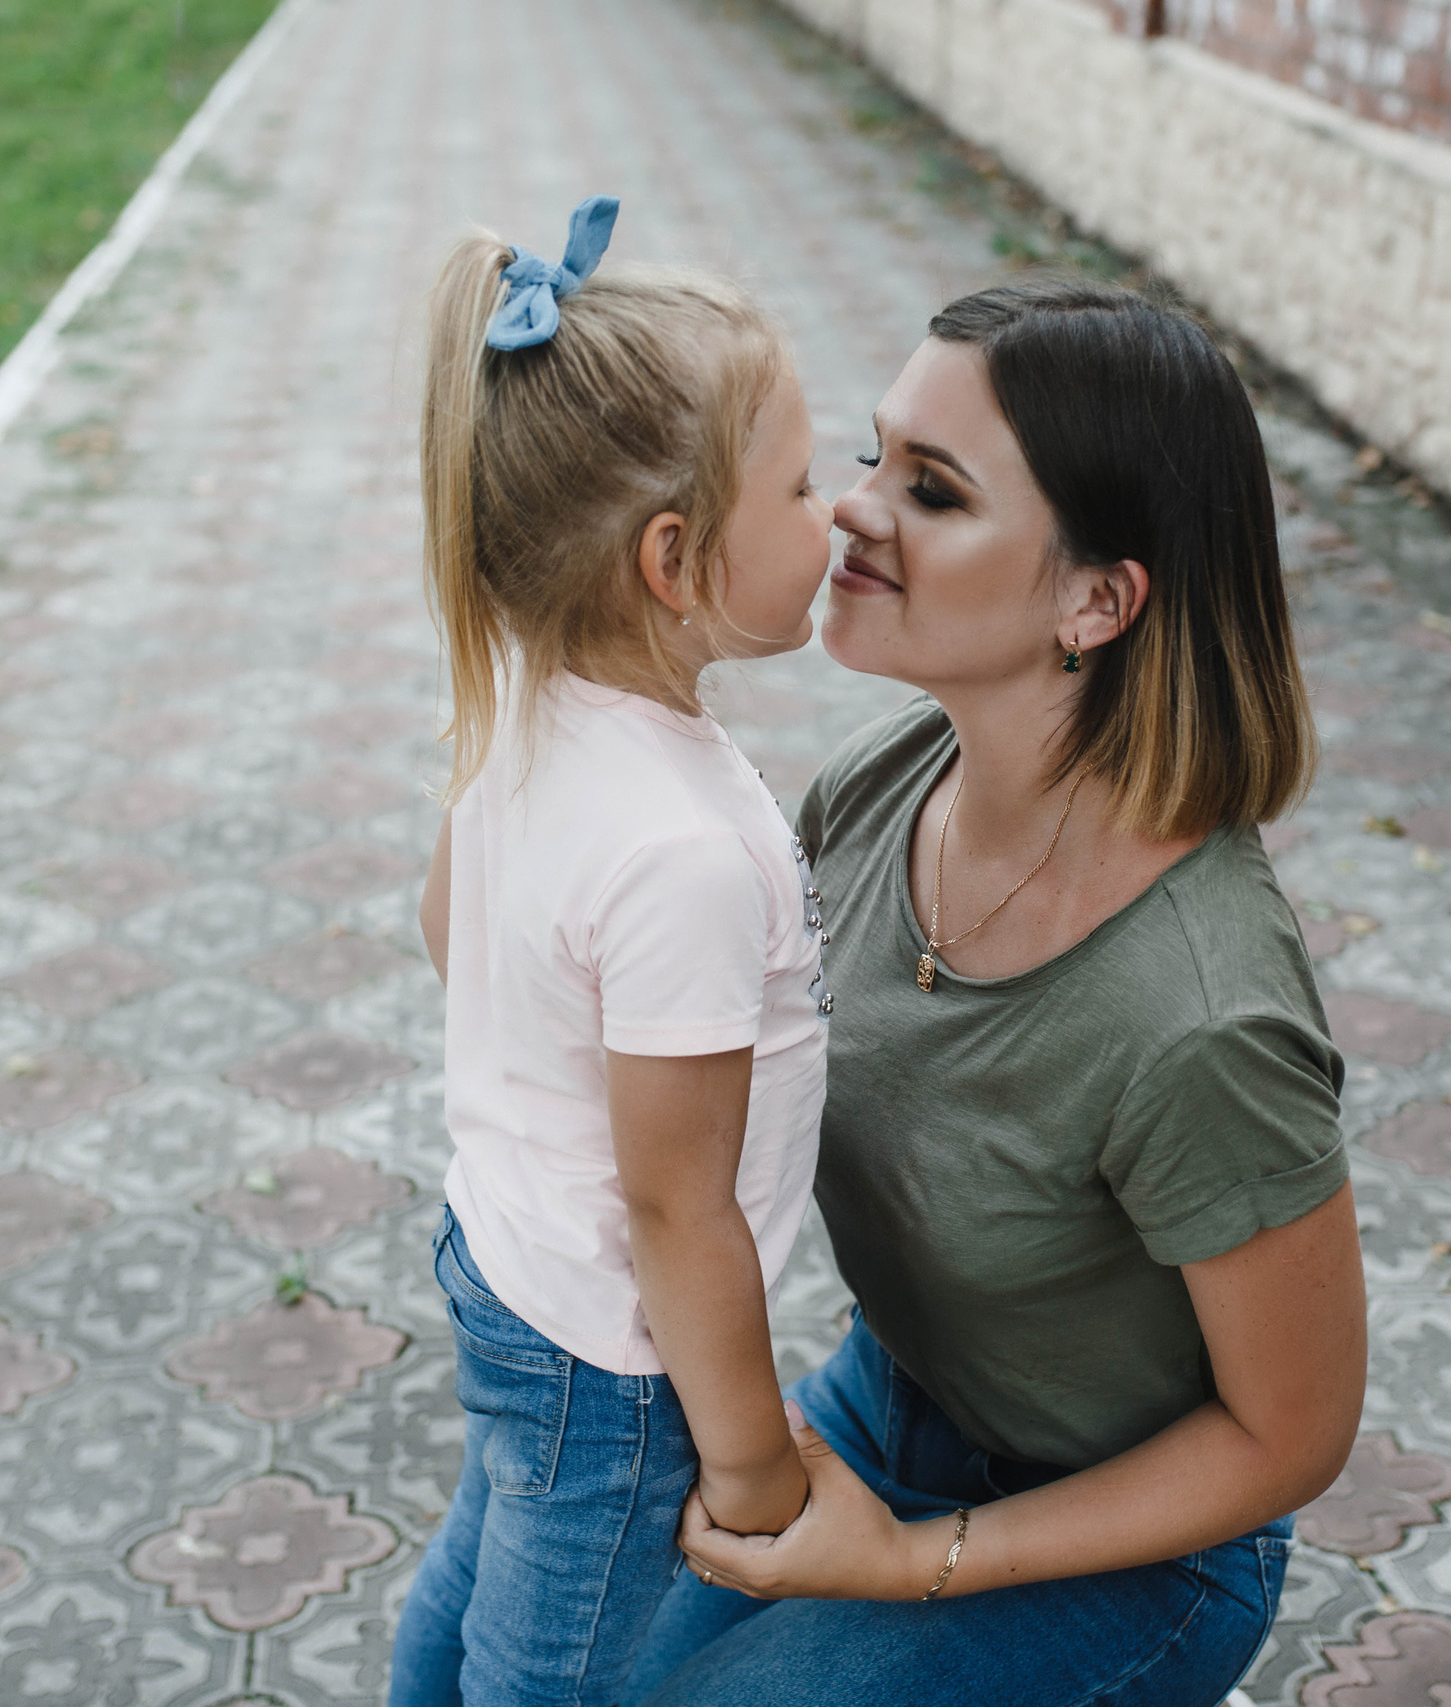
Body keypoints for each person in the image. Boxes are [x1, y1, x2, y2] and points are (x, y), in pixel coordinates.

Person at [626, 277, 1367, 1706]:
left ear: (1099, 599)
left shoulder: (1202, 1022)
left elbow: (1295, 1435)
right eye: (870, 459)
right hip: (892, 1401)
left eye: (935, 492)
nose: (853, 511)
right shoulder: (888, 784)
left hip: (1130, 1545)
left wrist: (920, 1562)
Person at [389, 196, 840, 1707]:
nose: (836, 512)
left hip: (502, 1252)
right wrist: (756, 1459)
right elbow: (675, 1206)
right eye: (798, 488)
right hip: (611, 1358)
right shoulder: (685, 851)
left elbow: (451, 930)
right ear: (673, 557)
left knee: (487, 1551)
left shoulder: (525, 694)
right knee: (557, 1668)